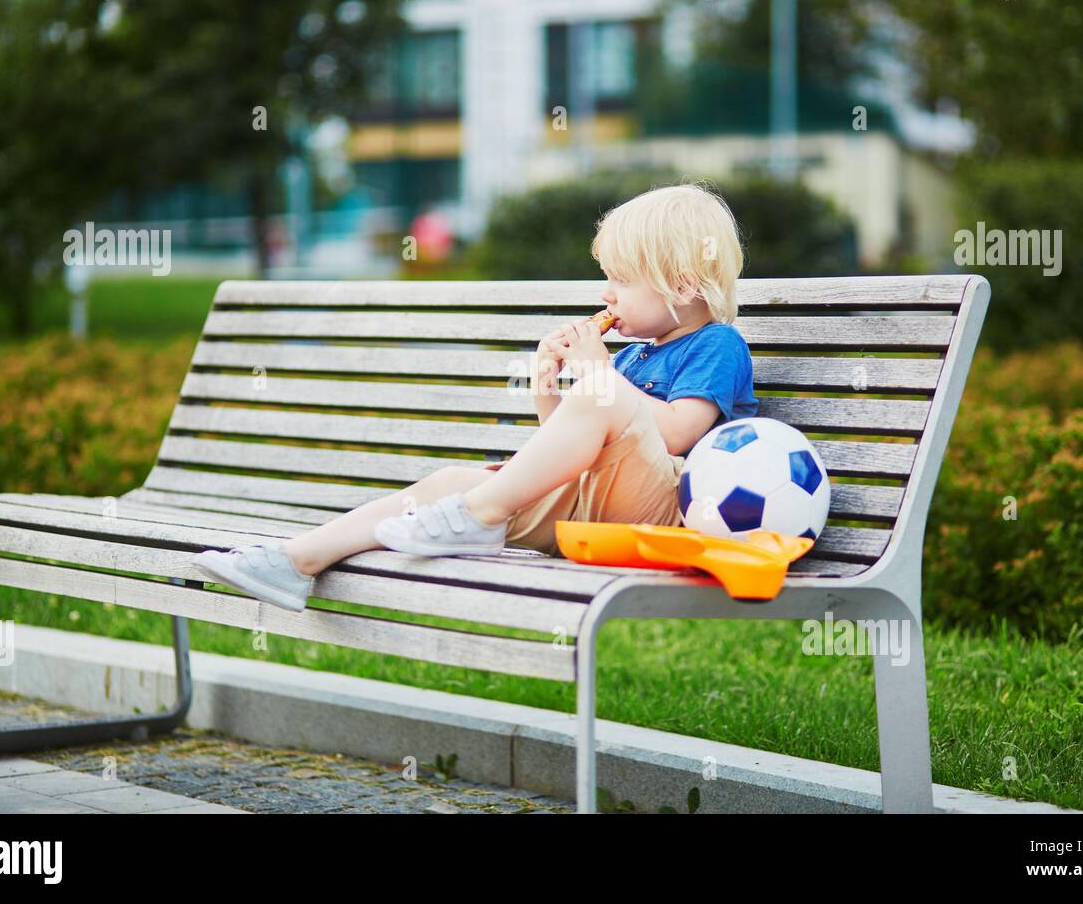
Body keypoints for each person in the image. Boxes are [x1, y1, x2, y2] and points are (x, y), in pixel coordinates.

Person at [195, 181, 759, 612]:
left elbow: (680, 431)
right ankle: (299, 559)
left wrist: (599, 377)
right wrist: (550, 392)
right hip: (593, 504)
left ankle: (481, 515)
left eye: (622, 280)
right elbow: (574, 442)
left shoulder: (716, 344)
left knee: (588, 411)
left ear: (682, 286)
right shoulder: (635, 354)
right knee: (453, 484)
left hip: (664, 512)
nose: (606, 294)